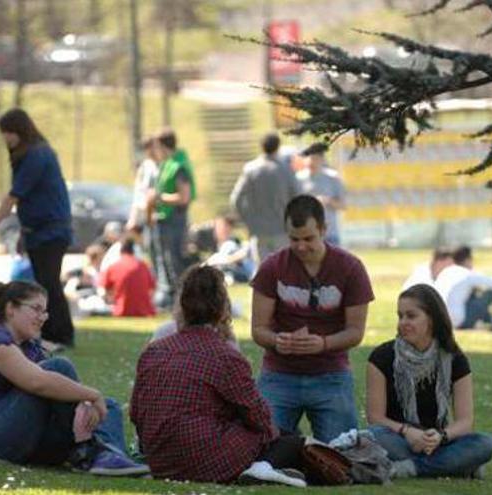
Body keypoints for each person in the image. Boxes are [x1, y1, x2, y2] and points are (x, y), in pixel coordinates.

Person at [131, 265, 309, 486]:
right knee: (290, 441)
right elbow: (259, 418)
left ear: (182, 307)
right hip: (205, 462)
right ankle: (262, 468)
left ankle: (264, 466)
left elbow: (136, 413)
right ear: (223, 309)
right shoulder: (224, 355)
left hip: (160, 461)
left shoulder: (154, 350)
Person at [0, 280, 147, 476]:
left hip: (23, 437)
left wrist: (88, 403)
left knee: (108, 406)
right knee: (59, 368)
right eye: (36, 309)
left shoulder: (28, 347)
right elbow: (38, 383)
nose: (42, 317)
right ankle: (90, 450)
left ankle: (107, 456)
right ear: (11, 309)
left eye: (44, 311)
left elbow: (57, 393)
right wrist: (92, 395)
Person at [251, 195, 374, 442]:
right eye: (294, 239)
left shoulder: (350, 268)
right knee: (261, 447)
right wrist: (277, 341)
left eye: (309, 239)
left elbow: (355, 332)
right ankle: (291, 443)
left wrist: (324, 343)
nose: (301, 247)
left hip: (330, 373)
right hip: (280, 373)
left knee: (340, 454)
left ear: (324, 230)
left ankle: (294, 444)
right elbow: (258, 329)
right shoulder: (272, 267)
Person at [366, 284, 492, 479]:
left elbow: (465, 422)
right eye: (400, 316)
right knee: (374, 434)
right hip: (399, 438)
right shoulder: (381, 357)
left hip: (437, 441)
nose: (403, 322)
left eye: (411, 316)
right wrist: (408, 432)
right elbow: (376, 418)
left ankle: (410, 468)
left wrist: (440, 437)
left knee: (484, 443)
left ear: (432, 318)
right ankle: (456, 465)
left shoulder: (454, 359)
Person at [0, 108, 75, 349]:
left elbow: (14, 196)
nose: (6, 139)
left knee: (48, 283)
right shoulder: (37, 153)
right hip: (40, 229)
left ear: (18, 131)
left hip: (50, 230)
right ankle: (55, 333)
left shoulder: (35, 156)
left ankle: (59, 334)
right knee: (46, 281)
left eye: (7, 133)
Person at [230, 132, 301, 261]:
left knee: (263, 271)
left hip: (258, 229)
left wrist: (247, 220)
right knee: (283, 270)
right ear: (278, 147)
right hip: (282, 228)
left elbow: (236, 198)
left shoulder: (250, 169)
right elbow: (298, 198)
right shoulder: (285, 170)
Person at [146, 129, 196, 310]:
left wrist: (158, 197)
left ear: (162, 145)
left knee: (175, 263)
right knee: (167, 262)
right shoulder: (169, 163)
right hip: (165, 220)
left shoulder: (178, 166)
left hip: (175, 220)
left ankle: (182, 303)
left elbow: (184, 196)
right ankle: (172, 302)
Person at [434, 245, 492, 329]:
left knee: (473, 296)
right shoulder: (467, 274)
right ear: (468, 260)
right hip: (459, 321)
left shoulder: (445, 272)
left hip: (441, 321)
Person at [296, 143, 346, 246]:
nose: (311, 162)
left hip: (330, 233)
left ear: (322, 160)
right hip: (306, 234)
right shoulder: (298, 179)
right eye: (309, 159)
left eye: (315, 159)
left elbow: (343, 205)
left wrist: (327, 201)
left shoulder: (333, 178)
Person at [99, 238, 156, 317]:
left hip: (121, 310)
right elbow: (152, 289)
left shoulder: (113, 267)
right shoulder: (144, 266)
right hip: (145, 311)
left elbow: (103, 290)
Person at [63, 244, 110, 317]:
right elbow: (68, 291)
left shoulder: (103, 272)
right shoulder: (80, 273)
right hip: (85, 300)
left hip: (99, 300)